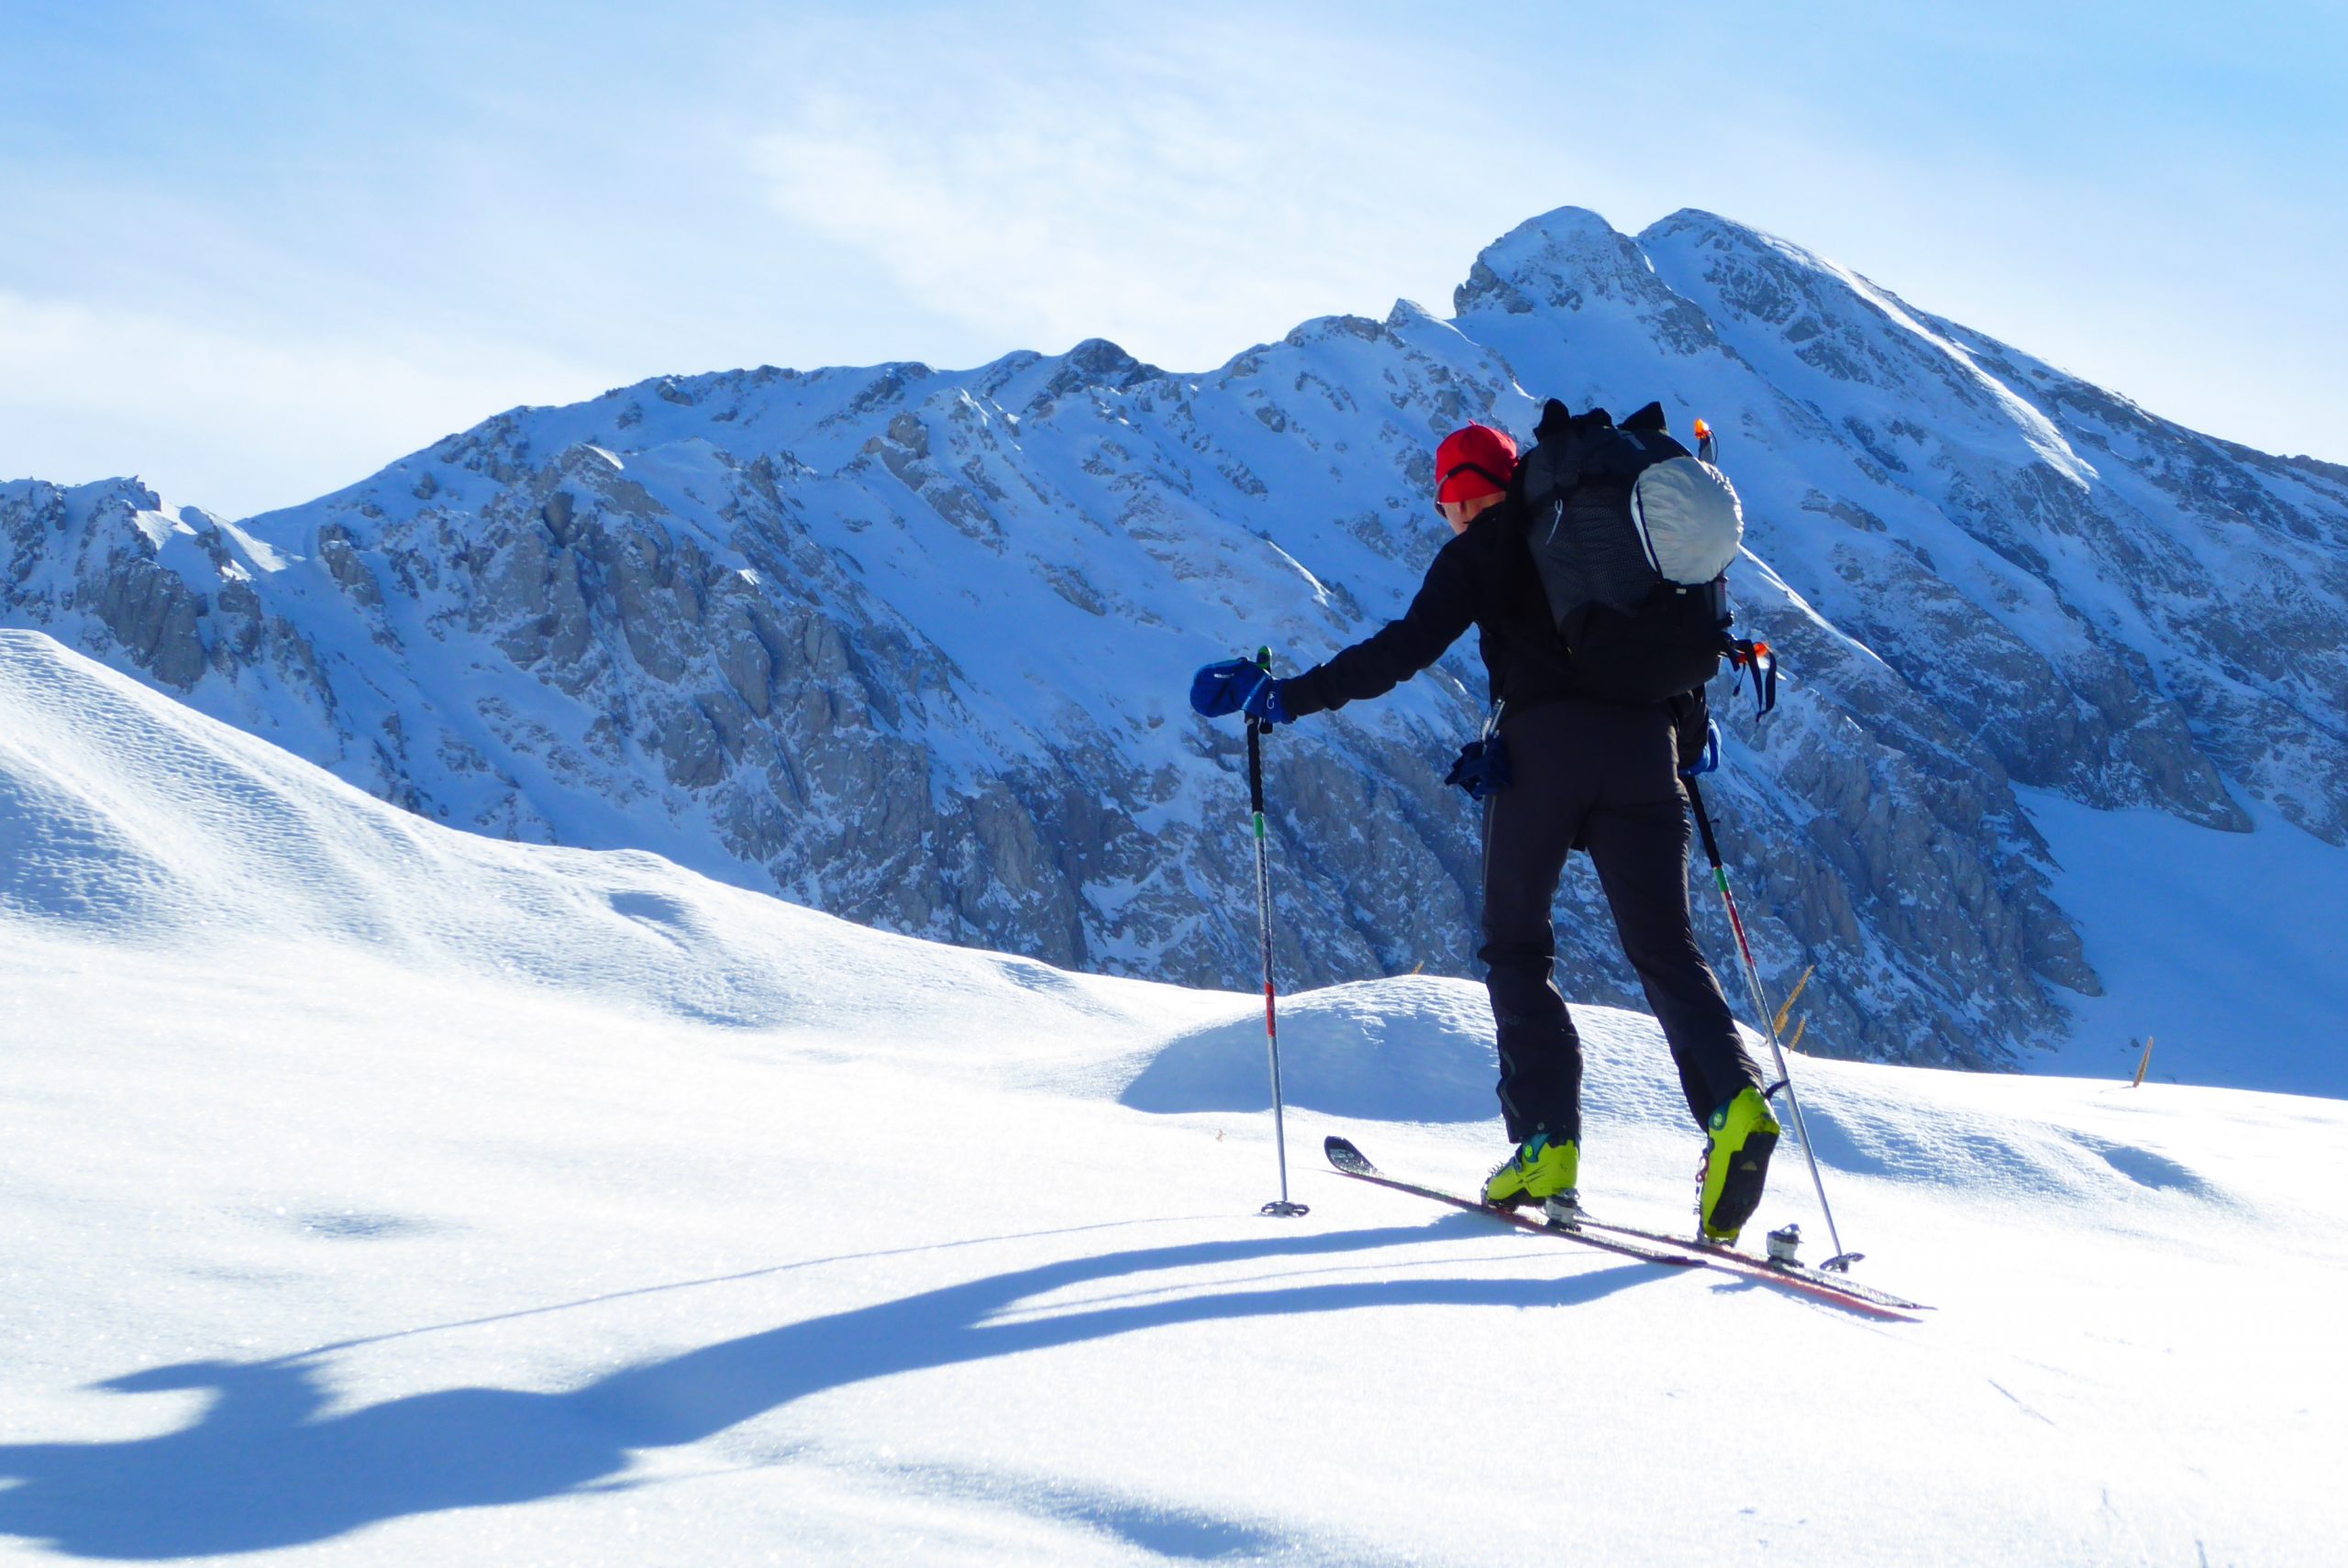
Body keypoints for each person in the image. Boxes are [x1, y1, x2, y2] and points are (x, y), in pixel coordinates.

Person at [1190, 417, 1781, 1242]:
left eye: (1448, 505)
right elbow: (1662, 656)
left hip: (1541, 756)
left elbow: (1401, 648)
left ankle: (1547, 1145)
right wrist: (1682, 742)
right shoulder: (1607, 542)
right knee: (1666, 946)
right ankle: (1734, 1102)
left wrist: (1288, 696)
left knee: (1518, 946)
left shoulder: (1486, 547)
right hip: (1647, 753)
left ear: (1458, 498)